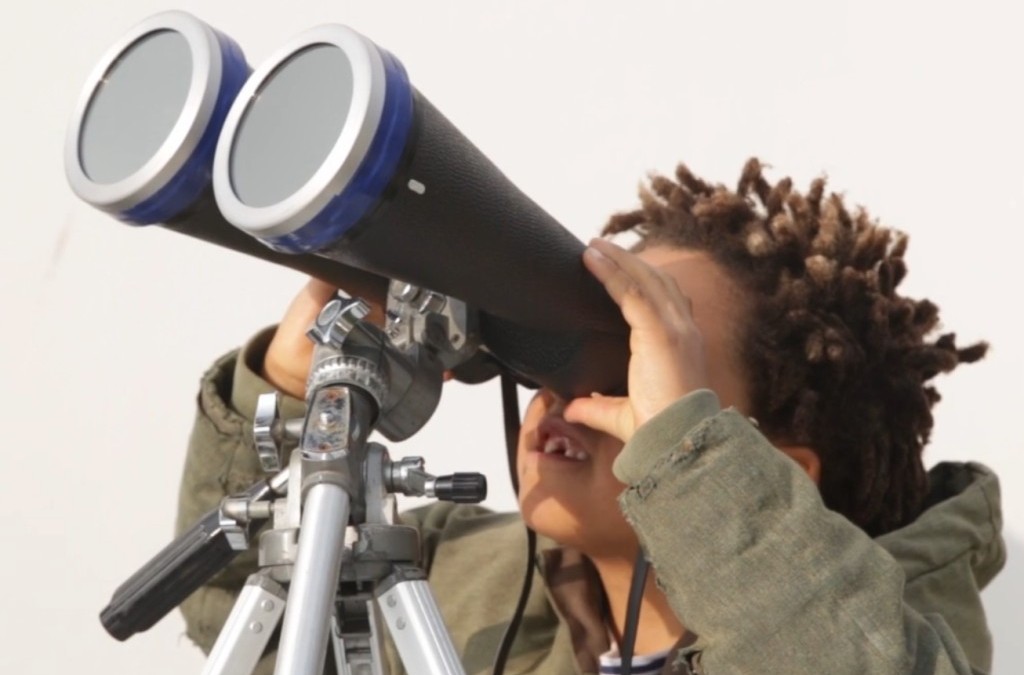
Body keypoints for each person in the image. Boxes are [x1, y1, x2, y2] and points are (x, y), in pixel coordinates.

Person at [176, 159, 1005, 674]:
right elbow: (245, 619)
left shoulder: (887, 638)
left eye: (636, 363)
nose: (564, 393)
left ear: (775, 470)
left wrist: (685, 461)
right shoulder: (452, 581)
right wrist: (289, 395)